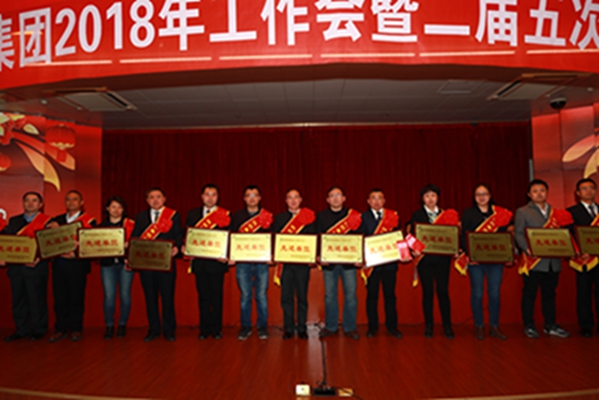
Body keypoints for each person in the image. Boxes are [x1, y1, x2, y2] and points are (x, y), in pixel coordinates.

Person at [515, 179, 570, 338]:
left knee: (550, 294)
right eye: (535, 191)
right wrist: (527, 249)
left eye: (542, 190)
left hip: (553, 262)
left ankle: (550, 324)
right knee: (530, 294)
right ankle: (529, 325)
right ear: (529, 194)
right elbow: (518, 233)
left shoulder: (556, 212)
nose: (539, 194)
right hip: (534, 261)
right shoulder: (523, 211)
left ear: (547, 192)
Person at [460, 184, 512, 340]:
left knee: (494, 293)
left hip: (495, 260)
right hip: (476, 261)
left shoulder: (500, 213)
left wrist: (507, 255)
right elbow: (464, 236)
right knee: (477, 293)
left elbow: (505, 238)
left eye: (484, 194)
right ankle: (479, 326)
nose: (481, 197)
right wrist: (469, 255)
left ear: (490, 195)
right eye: (478, 194)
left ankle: (494, 326)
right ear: (474, 197)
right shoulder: (468, 213)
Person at [131, 188, 182, 342]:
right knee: (150, 298)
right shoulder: (140, 217)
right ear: (147, 201)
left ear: (164, 199)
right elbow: (135, 237)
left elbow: (178, 235)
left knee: (168, 298)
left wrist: (177, 247)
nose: (155, 200)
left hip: (166, 264)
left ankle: (169, 330)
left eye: (158, 197)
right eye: (151, 197)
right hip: (147, 265)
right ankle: (153, 329)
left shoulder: (173, 215)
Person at [406, 184, 455, 339]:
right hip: (425, 260)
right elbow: (410, 236)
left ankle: (447, 326)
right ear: (422, 199)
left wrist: (455, 248)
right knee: (427, 293)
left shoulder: (446, 215)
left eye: (433, 195)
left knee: (443, 292)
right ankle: (429, 326)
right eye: (427, 196)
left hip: (442, 260)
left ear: (438, 198)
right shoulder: (417, 215)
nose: (430, 199)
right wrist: (414, 248)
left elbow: (453, 235)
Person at [1, 192, 51, 342]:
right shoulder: (14, 221)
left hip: (36, 267)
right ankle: (21, 329)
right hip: (16, 268)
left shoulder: (48, 222)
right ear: (23, 203)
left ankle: (39, 329)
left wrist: (39, 258)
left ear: (40, 204)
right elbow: (7, 242)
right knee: (19, 300)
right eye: (27, 200)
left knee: (37, 300)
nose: (30, 203)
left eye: (34, 200)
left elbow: (50, 245)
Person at [47, 190, 96, 343]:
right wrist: (49, 229)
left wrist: (76, 254)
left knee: (76, 298)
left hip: (77, 265)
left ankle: (76, 329)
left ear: (81, 202)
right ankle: (60, 329)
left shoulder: (90, 221)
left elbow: (93, 244)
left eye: (75, 199)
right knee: (59, 298)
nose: (71, 202)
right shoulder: (57, 220)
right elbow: (47, 241)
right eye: (68, 199)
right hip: (59, 265)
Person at [185, 184, 230, 340]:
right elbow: (188, 235)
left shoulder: (224, 214)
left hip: (217, 264)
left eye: (213, 194)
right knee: (203, 297)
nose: (210, 198)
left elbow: (228, 237)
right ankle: (204, 329)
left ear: (218, 197)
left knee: (217, 297)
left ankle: (216, 329)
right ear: (202, 196)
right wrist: (185, 247)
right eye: (207, 194)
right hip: (200, 264)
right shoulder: (193, 214)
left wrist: (226, 254)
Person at [316, 186, 362, 340]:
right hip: (329, 264)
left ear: (344, 198)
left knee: (351, 296)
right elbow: (317, 238)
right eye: (332, 195)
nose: (335, 198)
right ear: (328, 199)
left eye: (338, 195)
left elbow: (359, 238)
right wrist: (319, 256)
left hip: (349, 264)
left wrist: (359, 258)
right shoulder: (321, 216)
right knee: (330, 296)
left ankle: (350, 327)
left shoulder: (353, 216)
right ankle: (331, 326)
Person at [230, 185, 273, 341]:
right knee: (245, 296)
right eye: (249, 195)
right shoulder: (237, 216)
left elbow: (273, 238)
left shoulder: (267, 215)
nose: (252, 198)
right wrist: (231, 255)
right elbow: (231, 237)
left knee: (261, 296)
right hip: (243, 263)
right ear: (244, 198)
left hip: (262, 263)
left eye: (255, 195)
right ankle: (245, 327)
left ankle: (262, 327)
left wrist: (272, 255)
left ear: (260, 198)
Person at [359, 188, 402, 339]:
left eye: (380, 198)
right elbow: (360, 239)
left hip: (389, 263)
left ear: (384, 201)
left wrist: (403, 253)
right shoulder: (363, 217)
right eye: (373, 198)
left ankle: (392, 326)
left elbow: (399, 237)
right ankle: (372, 327)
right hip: (372, 265)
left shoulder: (393, 216)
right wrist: (362, 259)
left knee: (390, 296)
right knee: (372, 296)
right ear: (368, 201)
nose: (377, 201)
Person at [273, 189, 315, 340]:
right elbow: (275, 239)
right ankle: (289, 328)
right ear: (286, 201)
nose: (293, 200)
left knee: (302, 297)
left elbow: (313, 238)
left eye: (296, 197)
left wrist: (312, 256)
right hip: (286, 265)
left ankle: (302, 328)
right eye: (289, 198)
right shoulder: (279, 218)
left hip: (303, 265)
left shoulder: (308, 217)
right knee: (286, 298)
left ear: (300, 200)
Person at [98, 196, 135, 339]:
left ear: (123, 210)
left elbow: (138, 244)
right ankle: (109, 325)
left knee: (125, 296)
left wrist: (128, 246)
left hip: (125, 264)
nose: (116, 210)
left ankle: (122, 324)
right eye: (113, 207)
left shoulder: (131, 225)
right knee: (109, 296)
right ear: (107, 208)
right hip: (107, 265)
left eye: (119, 207)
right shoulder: (100, 227)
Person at [567, 178, 599, 338]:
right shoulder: (570, 212)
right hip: (583, 259)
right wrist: (579, 251)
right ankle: (586, 326)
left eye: (591, 188)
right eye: (584, 188)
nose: (588, 191)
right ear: (577, 193)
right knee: (584, 293)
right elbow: (568, 236)